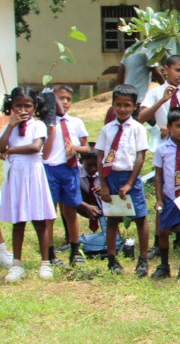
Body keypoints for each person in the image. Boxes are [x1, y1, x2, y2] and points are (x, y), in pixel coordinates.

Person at [0, 87, 57, 281]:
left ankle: (45, 263)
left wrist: (11, 150)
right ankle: (17, 264)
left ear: (34, 106)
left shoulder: (38, 125)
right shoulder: (10, 127)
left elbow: (35, 147)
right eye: (18, 105)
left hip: (33, 175)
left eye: (27, 105)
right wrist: (10, 126)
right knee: (18, 221)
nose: (23, 109)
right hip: (16, 175)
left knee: (40, 221)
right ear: (11, 106)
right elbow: (0, 148)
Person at [95, 84, 150, 276]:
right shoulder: (107, 130)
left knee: (140, 217)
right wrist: (102, 184)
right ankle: (112, 258)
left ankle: (143, 260)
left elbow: (140, 157)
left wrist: (129, 183)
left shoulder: (137, 129)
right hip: (111, 176)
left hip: (130, 177)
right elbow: (100, 157)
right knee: (112, 218)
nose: (122, 109)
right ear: (112, 105)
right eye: (118, 105)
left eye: (127, 105)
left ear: (134, 106)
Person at [42, 84, 89, 267]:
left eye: (68, 99)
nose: (65, 102)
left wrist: (75, 148)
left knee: (70, 210)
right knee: (49, 213)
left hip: (69, 170)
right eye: (61, 98)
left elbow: (86, 148)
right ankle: (49, 253)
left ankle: (75, 249)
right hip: (50, 169)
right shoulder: (45, 123)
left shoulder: (76, 123)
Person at [151, 107, 180, 279]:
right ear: (169, 127)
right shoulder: (162, 150)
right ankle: (164, 264)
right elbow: (158, 175)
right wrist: (159, 198)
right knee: (163, 231)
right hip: (169, 197)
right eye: (178, 126)